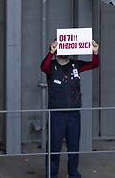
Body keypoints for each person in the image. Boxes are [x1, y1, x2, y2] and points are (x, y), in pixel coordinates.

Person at [40, 38, 100, 178]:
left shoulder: (76, 65)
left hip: (73, 113)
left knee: (74, 146)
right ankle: (51, 175)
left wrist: (95, 52)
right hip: (56, 114)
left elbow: (94, 64)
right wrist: (50, 52)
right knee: (54, 147)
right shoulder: (51, 66)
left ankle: (73, 173)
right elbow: (43, 67)